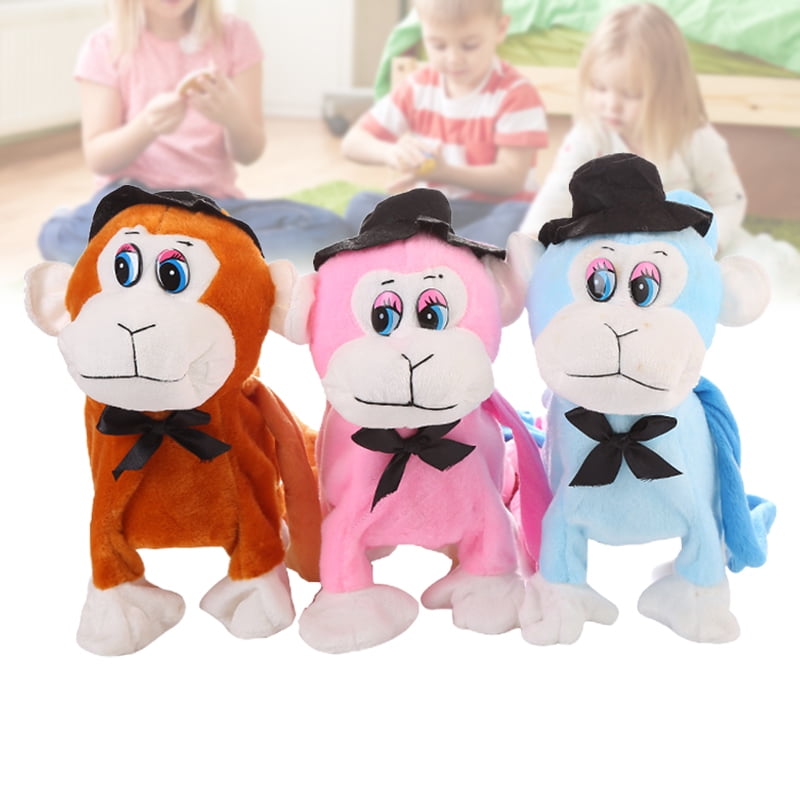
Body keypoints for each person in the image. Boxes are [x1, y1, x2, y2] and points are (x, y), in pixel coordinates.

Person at [37, 0, 351, 269]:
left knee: (328, 229)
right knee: (62, 237)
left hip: (212, 205)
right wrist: (147, 125)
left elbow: (249, 152)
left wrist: (233, 117)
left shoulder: (235, 36)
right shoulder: (104, 46)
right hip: (133, 200)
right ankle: (205, 257)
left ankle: (170, 259)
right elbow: (100, 159)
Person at [518, 2, 799, 295]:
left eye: (630, 94)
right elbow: (556, 195)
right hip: (617, 252)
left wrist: (708, 244)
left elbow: (730, 201)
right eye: (600, 88)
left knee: (759, 273)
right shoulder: (590, 135)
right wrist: (532, 242)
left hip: (688, 244)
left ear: (668, 91)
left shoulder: (692, 137)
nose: (611, 105)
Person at [340, 0, 548, 249]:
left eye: (470, 45)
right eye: (438, 45)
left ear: (500, 29)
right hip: (435, 211)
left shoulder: (516, 93)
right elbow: (352, 143)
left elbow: (510, 179)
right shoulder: (418, 87)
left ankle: (423, 249)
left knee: (519, 219)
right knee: (361, 204)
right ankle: (449, 251)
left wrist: (444, 172)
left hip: (496, 208)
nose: (453, 59)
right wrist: (391, 152)